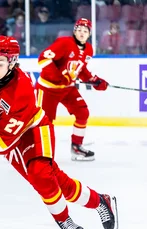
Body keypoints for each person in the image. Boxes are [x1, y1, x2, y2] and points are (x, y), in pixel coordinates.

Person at [0, 36, 118, 229]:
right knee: (54, 180)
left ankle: (64, 219)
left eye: (0, 62)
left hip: (33, 129)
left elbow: (3, 141)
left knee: (40, 175)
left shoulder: (21, 90)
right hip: (1, 133)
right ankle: (100, 201)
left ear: (12, 62)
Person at [35, 18, 108, 161]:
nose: (82, 33)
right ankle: (38, 152)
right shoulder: (64, 43)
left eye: (85, 31)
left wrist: (95, 80)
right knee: (44, 122)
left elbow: (81, 70)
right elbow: (43, 59)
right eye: (79, 30)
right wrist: (59, 78)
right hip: (48, 89)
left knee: (82, 112)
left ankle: (76, 147)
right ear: (74, 31)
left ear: (89, 34)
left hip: (67, 88)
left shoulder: (88, 49)